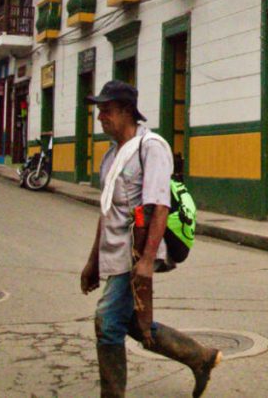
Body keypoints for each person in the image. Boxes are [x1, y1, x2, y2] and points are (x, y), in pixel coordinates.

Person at [80, 80, 221, 397]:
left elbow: (160, 207)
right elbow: (107, 213)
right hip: (114, 252)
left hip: (137, 252)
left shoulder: (151, 148)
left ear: (127, 112)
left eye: (107, 110)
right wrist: (93, 261)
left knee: (106, 321)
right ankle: (200, 357)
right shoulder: (111, 156)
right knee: (127, 321)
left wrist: (146, 260)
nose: (101, 117)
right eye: (99, 110)